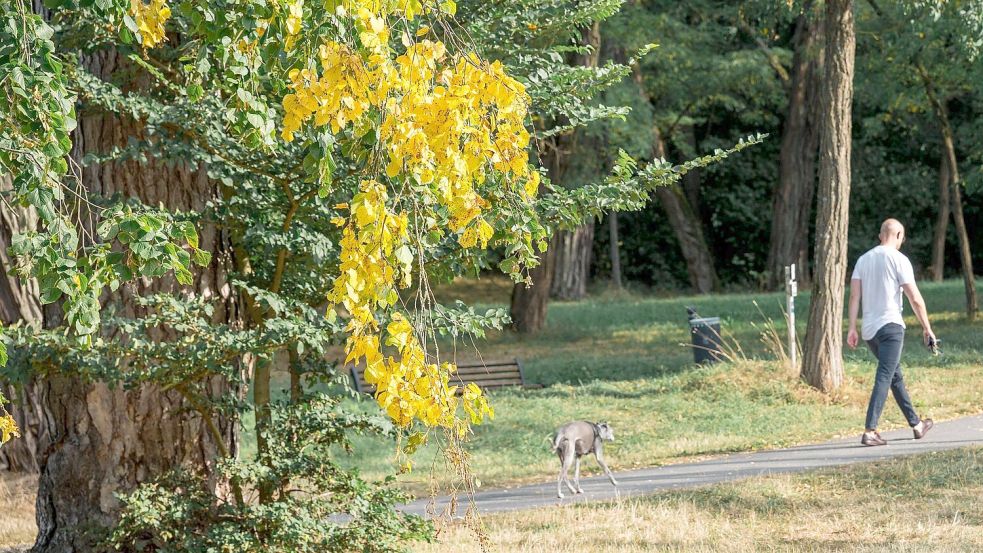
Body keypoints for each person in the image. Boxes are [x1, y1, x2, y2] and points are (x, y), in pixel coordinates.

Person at [847, 218, 934, 446]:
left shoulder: (863, 260)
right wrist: (927, 328)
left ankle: (916, 425)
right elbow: (914, 297)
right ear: (897, 236)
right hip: (891, 327)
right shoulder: (899, 259)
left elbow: (855, 296)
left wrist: (852, 328)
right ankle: (870, 430)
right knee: (885, 375)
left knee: (895, 376)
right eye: (901, 238)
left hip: (869, 331)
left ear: (880, 235)